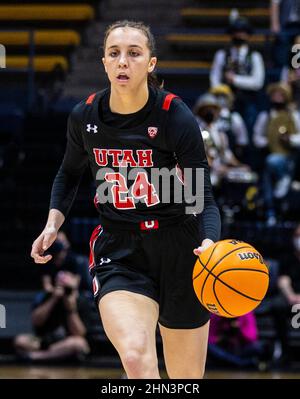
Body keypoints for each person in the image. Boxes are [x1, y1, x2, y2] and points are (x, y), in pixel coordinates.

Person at [30, 20, 221, 379]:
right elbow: (68, 173)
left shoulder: (174, 116)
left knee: (186, 380)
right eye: (114, 54)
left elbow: (203, 197)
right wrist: (53, 223)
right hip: (121, 249)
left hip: (181, 247)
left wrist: (209, 241)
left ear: (150, 63)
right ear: (103, 62)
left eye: (134, 54)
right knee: (135, 357)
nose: (123, 62)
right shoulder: (84, 116)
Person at [14, 271, 91, 363]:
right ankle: (54, 354)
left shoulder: (82, 301)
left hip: (66, 342)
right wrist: (53, 298)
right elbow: (36, 321)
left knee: (79, 344)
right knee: (20, 340)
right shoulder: (48, 296)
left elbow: (79, 333)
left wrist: (71, 310)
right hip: (45, 341)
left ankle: (37, 357)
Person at [253, 82, 300, 225]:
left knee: (276, 162)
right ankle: (271, 210)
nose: (278, 97)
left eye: (281, 94)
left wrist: (289, 139)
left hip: (291, 156)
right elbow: (257, 138)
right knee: (271, 163)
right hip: (270, 155)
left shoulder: (294, 115)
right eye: (275, 94)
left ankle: (285, 179)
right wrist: (269, 141)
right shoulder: (265, 115)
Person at [210, 17, 265, 135]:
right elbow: (214, 78)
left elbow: (258, 82)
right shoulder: (222, 55)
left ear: (247, 34)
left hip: (249, 100)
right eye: (236, 31)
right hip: (226, 100)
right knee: (225, 130)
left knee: (250, 129)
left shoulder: (255, 56)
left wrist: (235, 79)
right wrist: (221, 92)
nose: (239, 35)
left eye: (242, 32)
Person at [269, 223, 300, 366]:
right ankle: (284, 351)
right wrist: (291, 296)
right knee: (277, 306)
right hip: (291, 298)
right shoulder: (288, 257)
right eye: (298, 236)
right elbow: (283, 280)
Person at [210, 84, 249, 163]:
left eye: (223, 96)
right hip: (212, 157)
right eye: (217, 96)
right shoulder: (207, 117)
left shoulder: (234, 118)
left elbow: (242, 141)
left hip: (230, 158)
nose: (220, 99)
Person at [270, 0, 300, 67]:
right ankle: (282, 71)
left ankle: (297, 70)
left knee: (298, 47)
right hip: (285, 24)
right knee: (282, 48)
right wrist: (274, 23)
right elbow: (274, 3)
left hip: (298, 25)